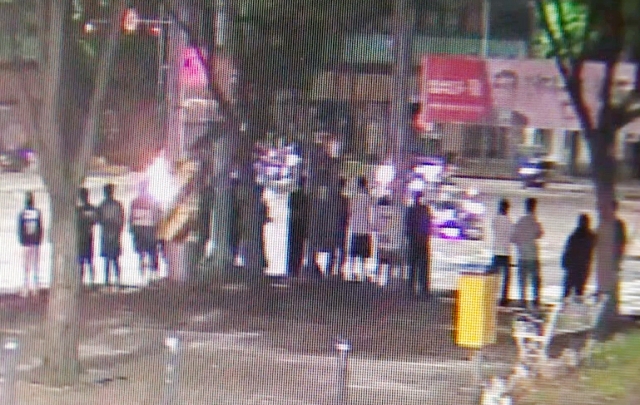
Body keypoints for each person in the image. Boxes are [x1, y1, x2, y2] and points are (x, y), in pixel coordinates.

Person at [511, 197, 544, 308]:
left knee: (522, 280)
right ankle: (536, 300)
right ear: (534, 208)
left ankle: (523, 301)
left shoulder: (520, 221)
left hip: (522, 255)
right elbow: (540, 234)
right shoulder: (534, 221)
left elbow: (513, 238)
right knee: (535, 280)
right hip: (533, 255)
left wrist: (520, 243)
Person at [129, 181, 163, 284]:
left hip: (139, 232)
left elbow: (131, 219)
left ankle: (143, 277)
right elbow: (158, 217)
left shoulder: (134, 202)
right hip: (150, 232)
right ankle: (153, 276)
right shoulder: (153, 201)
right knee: (152, 254)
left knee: (142, 255)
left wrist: (132, 231)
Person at [561, 213, 596, 300]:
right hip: (583, 267)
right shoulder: (591, 236)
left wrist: (565, 262)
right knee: (579, 291)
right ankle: (576, 309)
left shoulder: (574, 235)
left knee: (567, 291)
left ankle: (564, 308)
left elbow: (568, 250)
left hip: (572, 267)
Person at [98, 184, 125, 292]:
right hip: (115, 234)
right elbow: (121, 220)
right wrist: (118, 231)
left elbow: (99, 220)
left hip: (106, 235)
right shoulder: (118, 205)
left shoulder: (102, 206)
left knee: (107, 260)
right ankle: (118, 280)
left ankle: (107, 281)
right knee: (115, 259)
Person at [347, 176, 374, 282]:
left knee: (354, 252)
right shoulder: (368, 198)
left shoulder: (354, 197)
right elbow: (370, 213)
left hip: (355, 227)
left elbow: (350, 211)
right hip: (364, 228)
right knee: (363, 254)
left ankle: (352, 272)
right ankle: (362, 272)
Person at [405, 191, 432, 298]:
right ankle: (424, 289)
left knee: (413, 266)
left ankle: (411, 289)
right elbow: (428, 225)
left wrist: (410, 236)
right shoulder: (425, 209)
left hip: (414, 241)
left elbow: (408, 225)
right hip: (423, 241)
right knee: (423, 267)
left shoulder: (411, 210)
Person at [374, 194, 405, 287]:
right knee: (392, 261)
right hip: (392, 241)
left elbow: (377, 225)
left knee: (382, 260)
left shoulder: (379, 212)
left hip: (382, 240)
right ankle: (391, 280)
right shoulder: (395, 212)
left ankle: (380, 278)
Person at [18, 191, 43, 297]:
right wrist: (39, 240)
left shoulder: (23, 213)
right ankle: (35, 287)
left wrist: (22, 241)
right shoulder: (37, 212)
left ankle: (27, 287)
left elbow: (20, 228)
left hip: (27, 242)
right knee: (35, 265)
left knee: (27, 266)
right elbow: (40, 228)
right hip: (34, 242)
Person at [492, 199, 514, 307]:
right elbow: (512, 236)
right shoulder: (509, 222)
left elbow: (494, 228)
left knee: (494, 276)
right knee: (506, 277)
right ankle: (504, 299)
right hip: (506, 252)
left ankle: (492, 296)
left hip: (496, 251)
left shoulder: (495, 220)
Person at [287, 176, 308, 279]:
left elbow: (290, 208)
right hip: (301, 224)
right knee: (299, 247)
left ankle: (290, 267)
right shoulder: (305, 197)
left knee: (292, 246)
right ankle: (297, 268)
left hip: (293, 223)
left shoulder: (293, 195)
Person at [77, 187, 98, 288]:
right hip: (89, 237)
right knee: (90, 261)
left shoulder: (78, 210)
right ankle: (92, 282)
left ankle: (80, 283)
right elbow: (95, 221)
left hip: (80, 238)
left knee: (81, 262)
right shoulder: (92, 209)